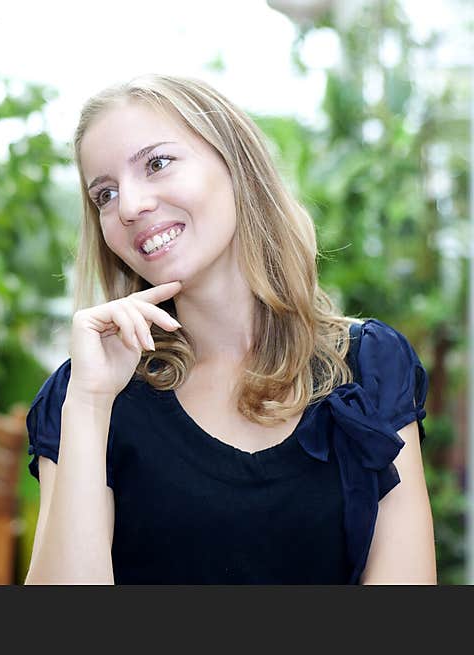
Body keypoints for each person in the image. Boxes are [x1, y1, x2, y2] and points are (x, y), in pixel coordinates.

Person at [23, 75, 436, 585]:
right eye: (105, 194)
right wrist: (88, 405)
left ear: (235, 163)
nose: (129, 207)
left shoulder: (371, 366)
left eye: (156, 163)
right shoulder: (84, 395)